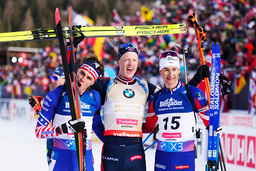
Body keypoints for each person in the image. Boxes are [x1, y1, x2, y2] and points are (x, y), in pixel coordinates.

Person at [91, 42, 210, 171]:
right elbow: (79, 83)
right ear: (118, 62)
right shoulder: (105, 85)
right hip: (111, 150)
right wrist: (71, 48)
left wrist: (194, 82)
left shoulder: (147, 87)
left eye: (134, 60)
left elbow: (173, 94)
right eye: (126, 60)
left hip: (135, 151)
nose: (130, 63)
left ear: (137, 63)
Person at [35, 53, 104, 171]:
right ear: (77, 72)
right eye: (82, 73)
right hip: (61, 160)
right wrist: (64, 128)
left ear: (93, 82)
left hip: (85, 160)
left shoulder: (95, 97)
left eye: (89, 78)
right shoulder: (56, 95)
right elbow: (39, 132)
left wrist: (112, 143)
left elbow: (97, 126)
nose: (83, 79)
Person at [145, 50, 210, 171]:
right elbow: (149, 126)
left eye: (174, 69)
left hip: (184, 156)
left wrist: (215, 129)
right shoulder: (156, 98)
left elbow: (210, 123)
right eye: (166, 70)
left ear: (179, 70)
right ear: (160, 72)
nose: (170, 74)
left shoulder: (193, 93)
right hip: (162, 157)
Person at [29, 67, 65, 165]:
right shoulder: (52, 96)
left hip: (64, 140)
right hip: (52, 138)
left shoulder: (68, 97)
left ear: (65, 78)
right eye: (52, 78)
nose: (53, 81)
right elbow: (46, 123)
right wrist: (38, 111)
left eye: (56, 78)